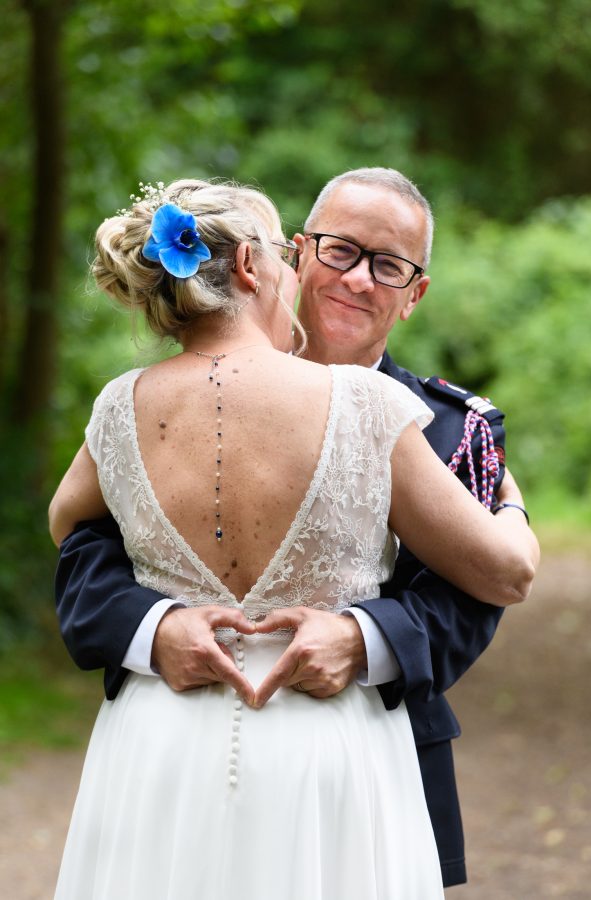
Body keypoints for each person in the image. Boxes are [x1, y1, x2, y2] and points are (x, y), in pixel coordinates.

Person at [49, 177, 538, 899]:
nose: (357, 278)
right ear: (289, 258)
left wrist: (367, 638)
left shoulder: (455, 425)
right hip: (220, 729)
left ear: (415, 294)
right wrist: (151, 627)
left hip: (328, 731)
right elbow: (84, 546)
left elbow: (470, 598)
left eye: (389, 265)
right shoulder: (372, 409)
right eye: (340, 251)